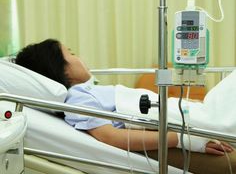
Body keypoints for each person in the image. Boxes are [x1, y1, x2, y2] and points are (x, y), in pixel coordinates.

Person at [15, 39, 235, 173]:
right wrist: (186, 139)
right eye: (71, 53)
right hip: (176, 132)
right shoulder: (78, 97)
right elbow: (111, 137)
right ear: (60, 68)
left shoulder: (87, 92)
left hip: (183, 117)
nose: (78, 57)